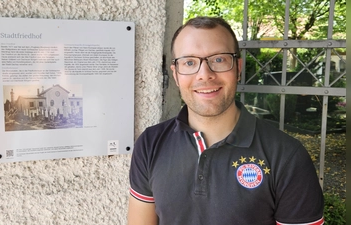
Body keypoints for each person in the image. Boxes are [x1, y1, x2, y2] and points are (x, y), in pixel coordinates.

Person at [127, 16, 324, 225]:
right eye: (190, 62)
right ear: (176, 74)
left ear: (238, 68)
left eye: (219, 59)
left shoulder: (286, 156)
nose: (205, 75)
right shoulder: (150, 143)